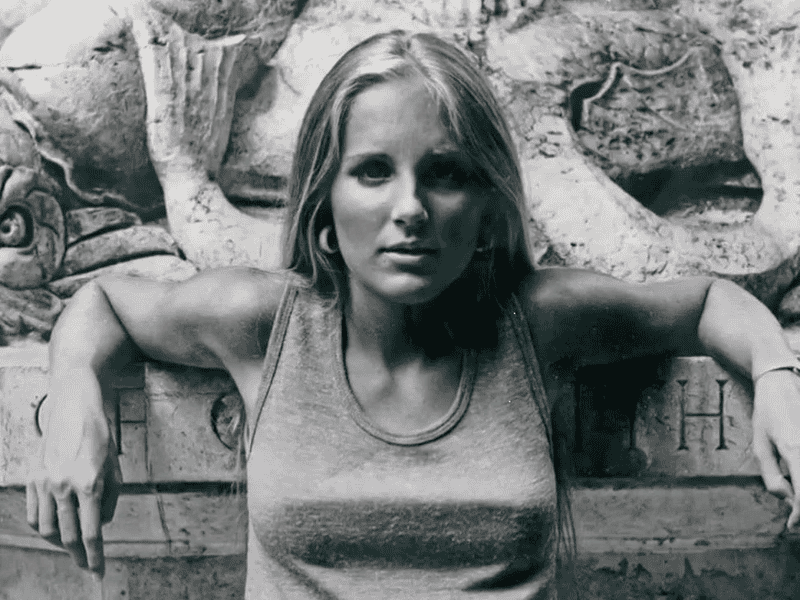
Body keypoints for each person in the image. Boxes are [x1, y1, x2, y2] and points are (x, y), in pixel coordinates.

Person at [25, 30, 800, 599]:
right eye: (372, 172)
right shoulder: (266, 323)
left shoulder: (538, 321)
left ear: (487, 207)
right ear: (325, 204)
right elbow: (103, 303)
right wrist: (72, 400)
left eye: (445, 173)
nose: (411, 209)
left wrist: (777, 377)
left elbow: (708, 300)